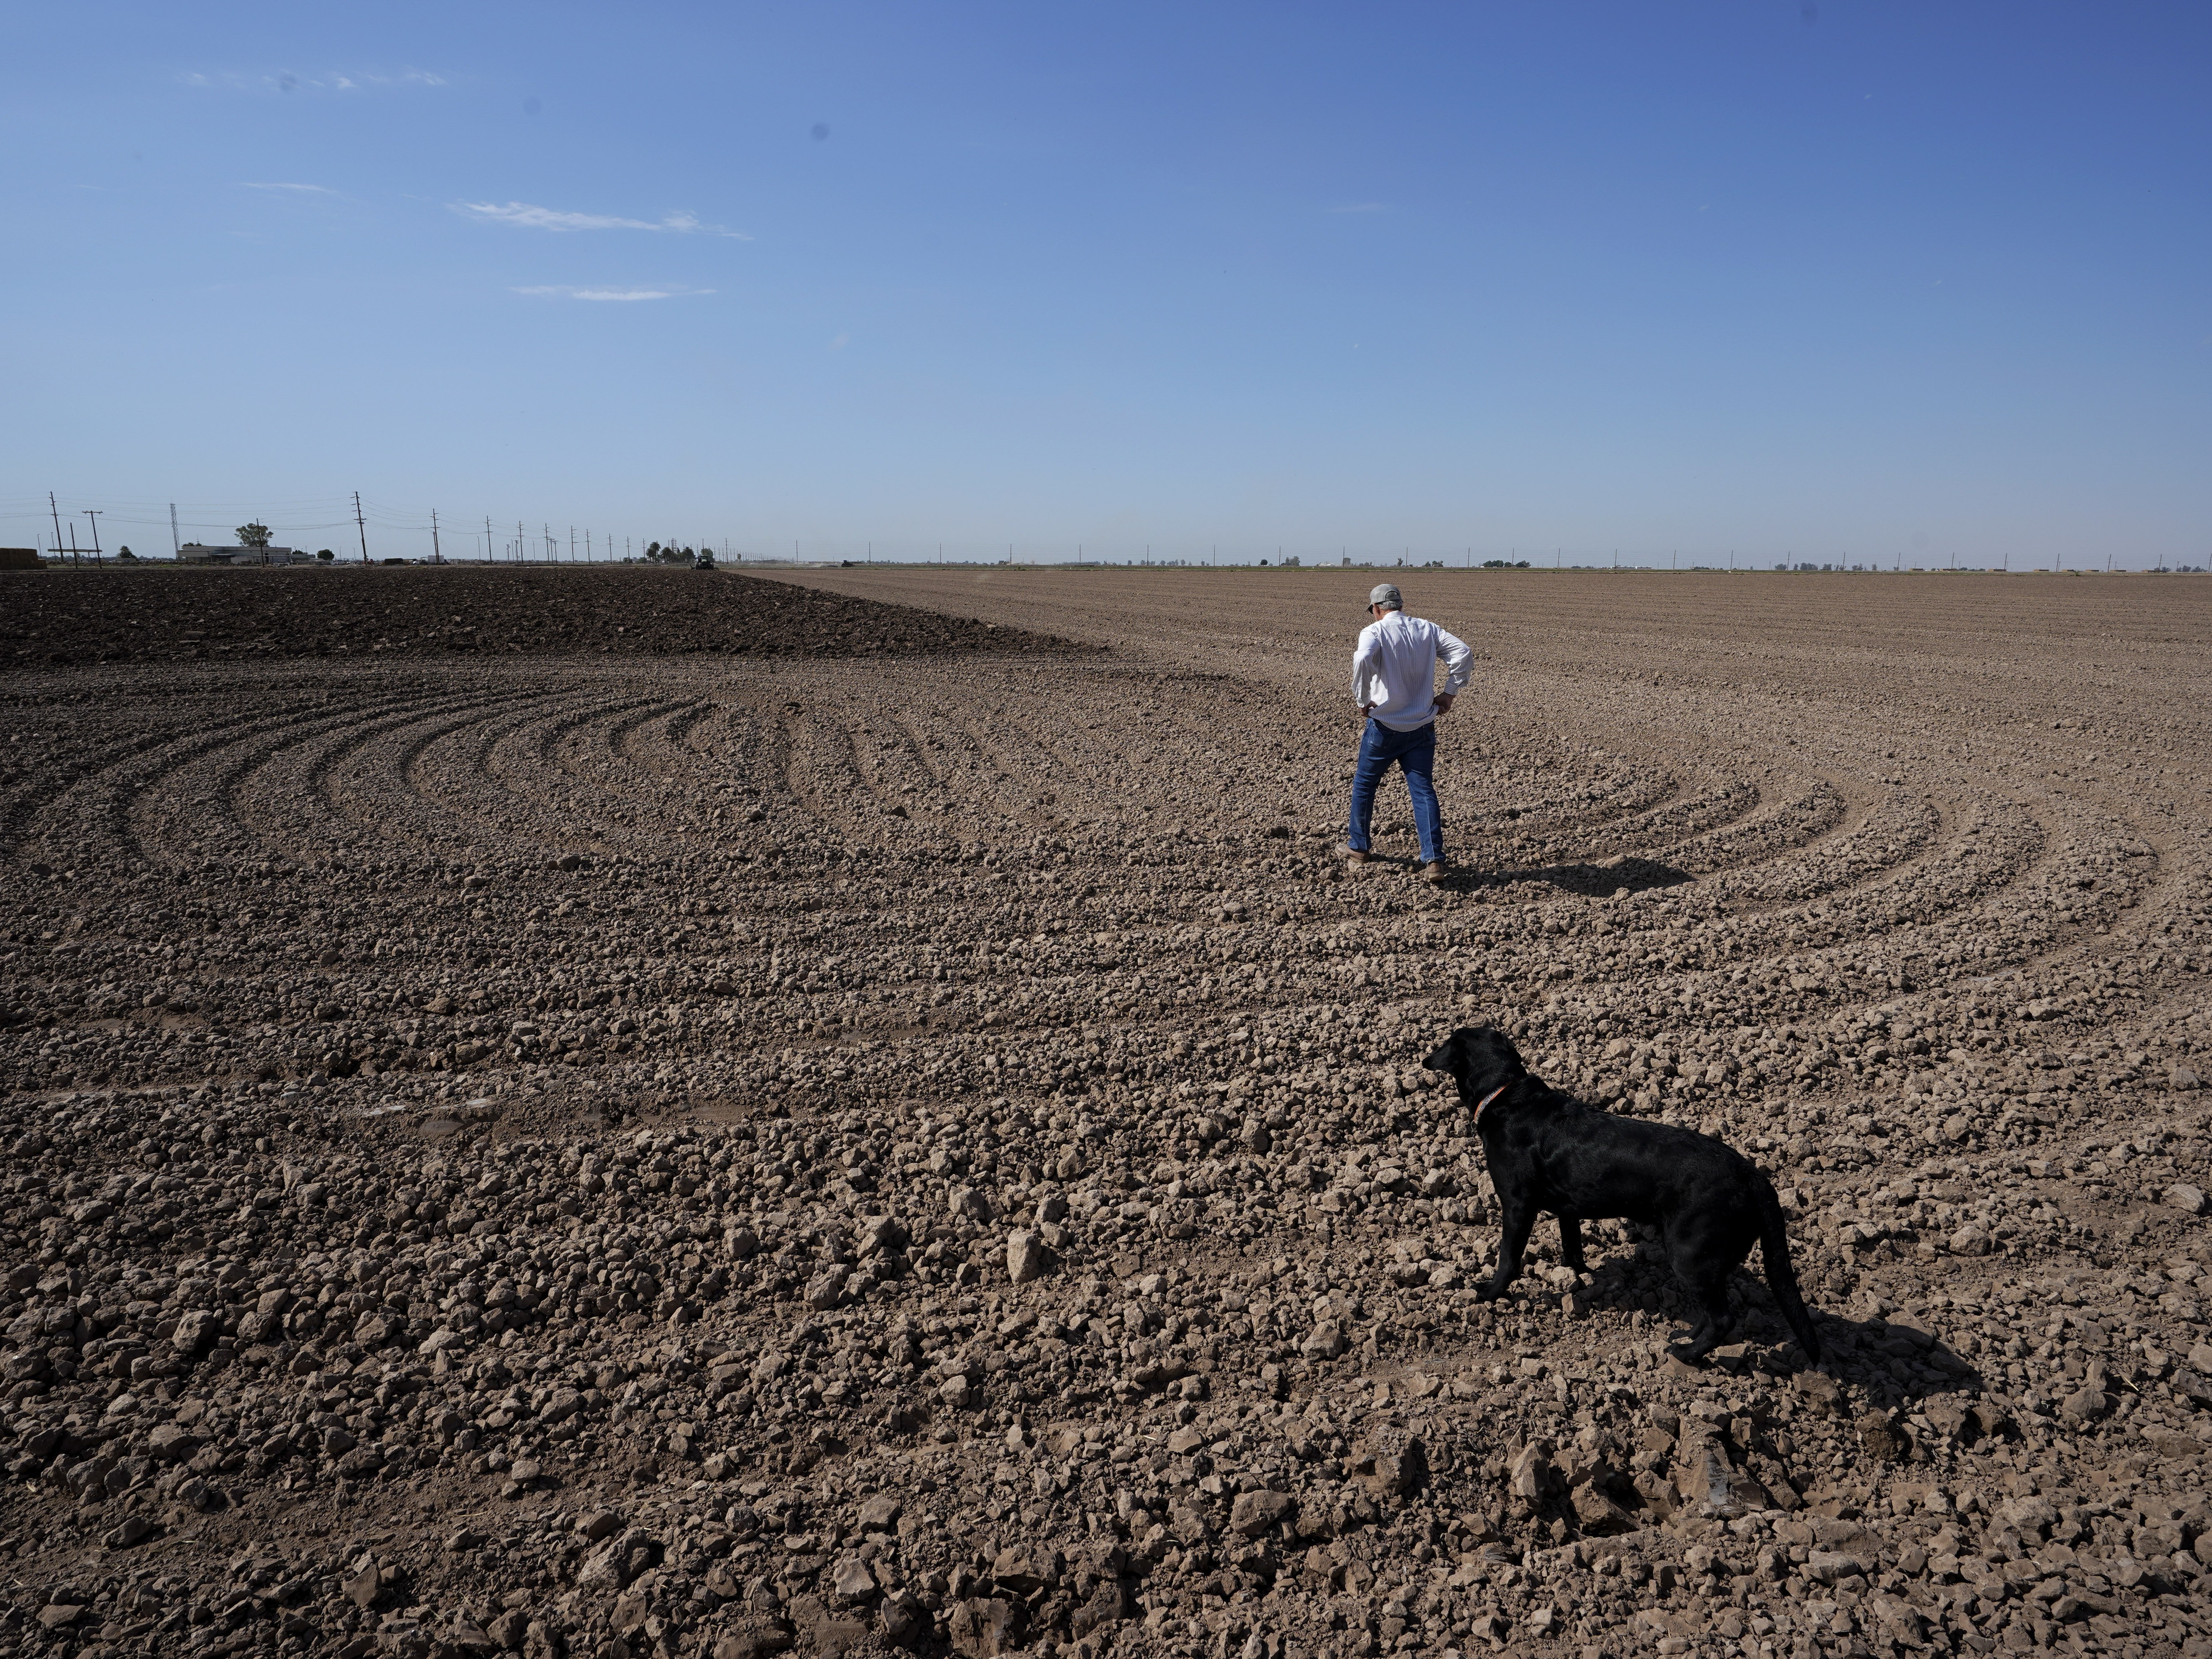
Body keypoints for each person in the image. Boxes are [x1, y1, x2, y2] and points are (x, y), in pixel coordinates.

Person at [1346, 583, 1472, 881]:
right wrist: (1449, 693)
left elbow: (1362, 659)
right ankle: (1434, 860)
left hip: (1384, 726)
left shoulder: (1374, 631)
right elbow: (1463, 652)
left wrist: (1363, 700)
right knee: (1422, 789)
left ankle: (1359, 848)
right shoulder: (1427, 629)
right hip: (1421, 725)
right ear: (1400, 606)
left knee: (1365, 786)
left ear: (1376, 609)